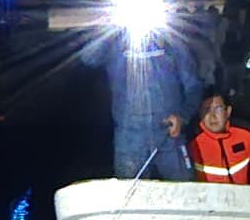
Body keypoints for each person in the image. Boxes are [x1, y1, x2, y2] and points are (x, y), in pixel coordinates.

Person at [80, 29, 202, 181]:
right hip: (129, 138)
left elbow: (194, 87)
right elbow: (88, 58)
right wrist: (108, 28)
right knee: (131, 196)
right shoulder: (114, 43)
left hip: (169, 134)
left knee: (185, 193)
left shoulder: (172, 42)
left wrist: (183, 116)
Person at [187, 91, 250, 187]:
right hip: (206, 199)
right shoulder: (192, 140)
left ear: (228, 111)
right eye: (207, 110)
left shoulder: (246, 132)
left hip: (243, 198)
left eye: (218, 109)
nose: (212, 116)